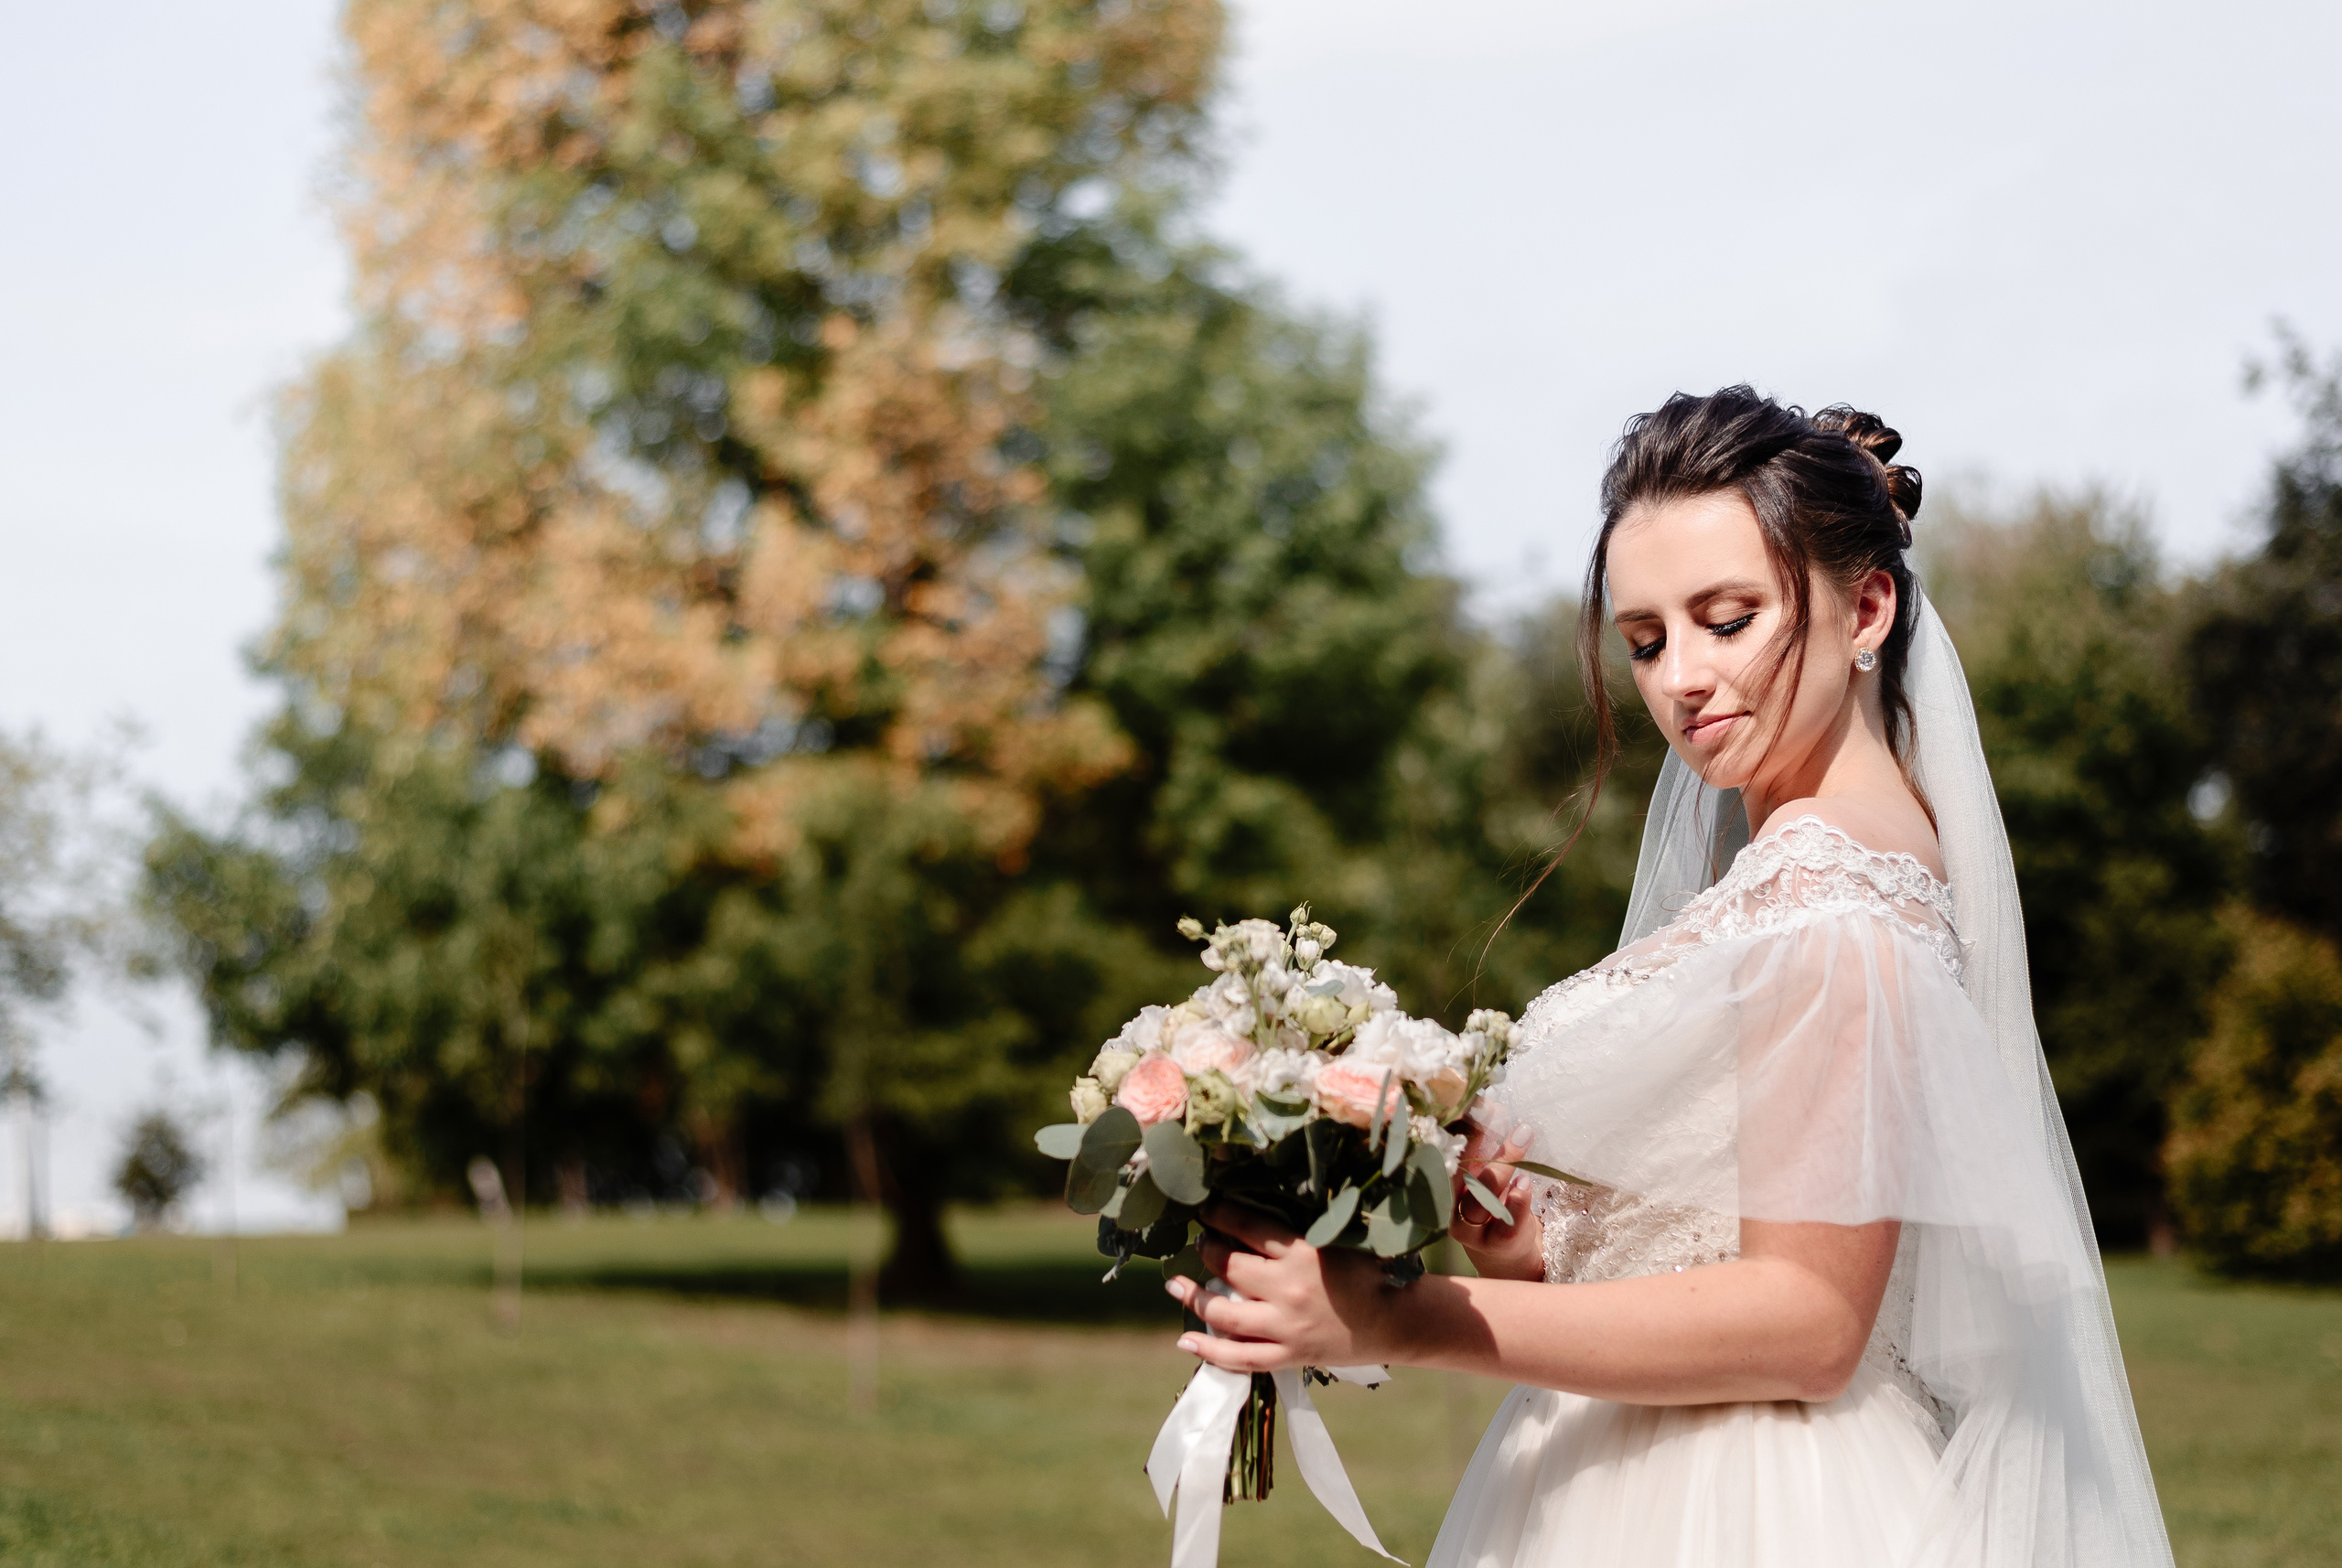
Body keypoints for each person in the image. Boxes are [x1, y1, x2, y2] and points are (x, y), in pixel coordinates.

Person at [1162, 388, 2173, 1567]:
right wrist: (1527, 1242)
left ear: (1868, 608)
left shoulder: (1833, 904)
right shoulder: (1816, 874)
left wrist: (1410, 1316)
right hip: (1638, 1464)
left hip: (1754, 1501)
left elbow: (1811, 1321)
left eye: (1728, 620)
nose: (1681, 677)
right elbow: (1707, 1237)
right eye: (1645, 641)